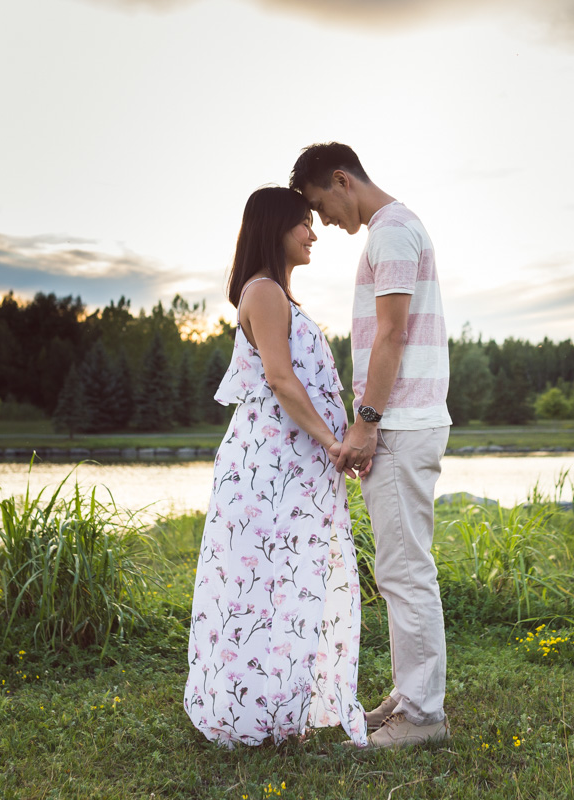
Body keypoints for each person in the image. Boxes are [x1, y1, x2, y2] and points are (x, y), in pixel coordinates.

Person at [183, 186, 368, 748]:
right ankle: (254, 716)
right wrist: (332, 443)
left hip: (292, 464)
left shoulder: (279, 295)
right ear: (275, 229)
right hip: (272, 465)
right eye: (303, 224)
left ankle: (281, 710)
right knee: (264, 584)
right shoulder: (263, 292)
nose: (313, 234)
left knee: (289, 583)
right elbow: (281, 380)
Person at [290, 143, 452, 749]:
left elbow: (392, 331)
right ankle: (410, 695)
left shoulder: (390, 233)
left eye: (319, 205)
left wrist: (366, 420)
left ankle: (424, 717)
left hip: (401, 421)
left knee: (406, 569)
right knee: (398, 566)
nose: (324, 222)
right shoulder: (395, 229)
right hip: (405, 420)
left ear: (340, 180)